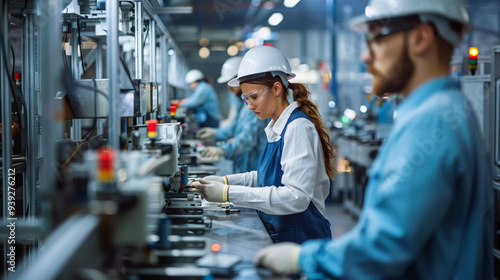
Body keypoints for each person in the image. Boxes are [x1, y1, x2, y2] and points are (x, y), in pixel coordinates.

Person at [254, 0, 493, 278]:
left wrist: (304, 257)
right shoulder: (447, 109)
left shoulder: (430, 121)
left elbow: (383, 246)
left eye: (376, 39)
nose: (366, 57)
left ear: (421, 38)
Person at [192, 46, 335, 244]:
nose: (249, 106)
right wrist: (225, 181)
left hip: (303, 240)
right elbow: (270, 176)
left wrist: (227, 193)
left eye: (254, 97)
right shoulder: (276, 126)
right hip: (285, 234)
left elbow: (296, 197)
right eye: (245, 98)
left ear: (276, 88)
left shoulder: (298, 128)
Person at [196, 56, 268, 173]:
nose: (228, 86)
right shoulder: (245, 105)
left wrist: (222, 150)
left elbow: (247, 140)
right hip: (245, 164)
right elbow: (236, 127)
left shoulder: (254, 107)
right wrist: (216, 132)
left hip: (253, 165)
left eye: (231, 82)